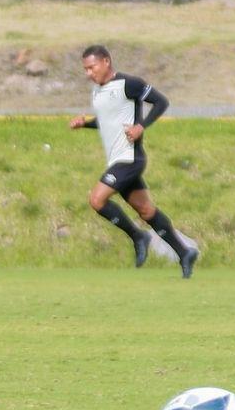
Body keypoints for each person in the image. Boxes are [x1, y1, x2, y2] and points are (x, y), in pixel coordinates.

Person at [69, 45, 198, 278]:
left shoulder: (129, 84)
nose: (88, 73)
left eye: (92, 67)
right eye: (85, 69)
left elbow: (161, 102)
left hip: (130, 159)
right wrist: (85, 123)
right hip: (118, 159)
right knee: (147, 211)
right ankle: (185, 252)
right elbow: (108, 120)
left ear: (106, 62)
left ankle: (139, 236)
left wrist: (141, 126)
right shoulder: (98, 91)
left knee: (97, 199)